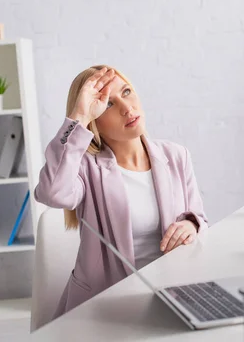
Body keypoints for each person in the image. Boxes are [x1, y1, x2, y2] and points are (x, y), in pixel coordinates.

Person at [34, 65, 208, 320]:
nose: (127, 108)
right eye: (108, 105)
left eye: (126, 92)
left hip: (171, 299)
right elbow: (52, 193)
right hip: (105, 308)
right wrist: (78, 117)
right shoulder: (84, 167)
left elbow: (200, 219)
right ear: (94, 122)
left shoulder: (176, 156)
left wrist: (191, 226)